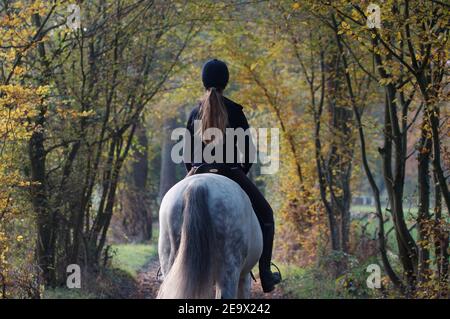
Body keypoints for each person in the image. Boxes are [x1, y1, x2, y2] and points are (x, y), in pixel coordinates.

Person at [183, 58, 281, 293]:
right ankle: (266, 274)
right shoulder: (235, 111)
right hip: (230, 172)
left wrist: (195, 170)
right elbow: (248, 154)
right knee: (266, 214)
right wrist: (238, 173)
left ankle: (168, 267)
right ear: (226, 82)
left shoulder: (194, 112)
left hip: (198, 171)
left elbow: (186, 156)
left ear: (203, 81)